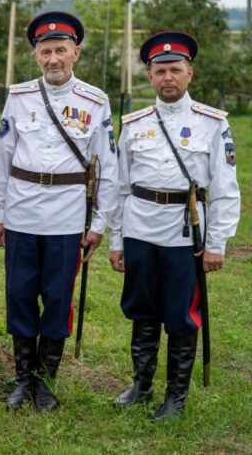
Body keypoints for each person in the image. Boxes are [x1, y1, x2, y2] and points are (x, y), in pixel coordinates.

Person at [108, 31, 240, 421]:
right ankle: (141, 385)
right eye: (160, 71)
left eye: (175, 70)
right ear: (149, 75)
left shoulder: (212, 124)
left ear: (189, 73)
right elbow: (119, 187)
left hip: (186, 235)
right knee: (142, 309)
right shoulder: (134, 123)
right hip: (139, 230)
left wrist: (216, 243)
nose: (168, 77)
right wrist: (117, 240)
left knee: (181, 316)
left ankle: (175, 398)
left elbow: (226, 189)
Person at [0, 11, 118, 411]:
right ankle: (22, 378)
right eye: (45, 52)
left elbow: (107, 166)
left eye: (60, 50)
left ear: (75, 52)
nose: (53, 59)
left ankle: (45, 381)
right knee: (19, 294)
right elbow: (2, 157)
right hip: (22, 212)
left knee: (58, 298)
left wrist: (99, 223)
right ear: (36, 55)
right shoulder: (19, 96)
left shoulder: (95, 101)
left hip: (67, 216)